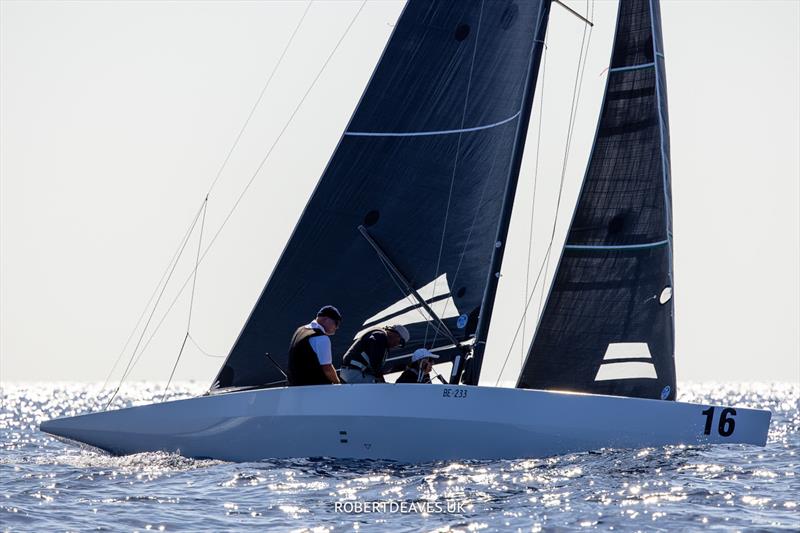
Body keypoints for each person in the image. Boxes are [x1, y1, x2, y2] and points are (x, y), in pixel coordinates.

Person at [287, 305, 342, 386]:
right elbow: (327, 368)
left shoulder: (299, 330)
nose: (337, 327)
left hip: (295, 386)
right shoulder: (321, 338)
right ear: (325, 319)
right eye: (336, 323)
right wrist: (338, 383)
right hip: (314, 389)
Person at [340, 324, 410, 383]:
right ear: (394, 333)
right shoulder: (380, 336)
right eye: (401, 342)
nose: (397, 345)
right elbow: (376, 364)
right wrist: (382, 382)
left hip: (353, 372)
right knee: (381, 390)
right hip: (354, 372)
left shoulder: (380, 338)